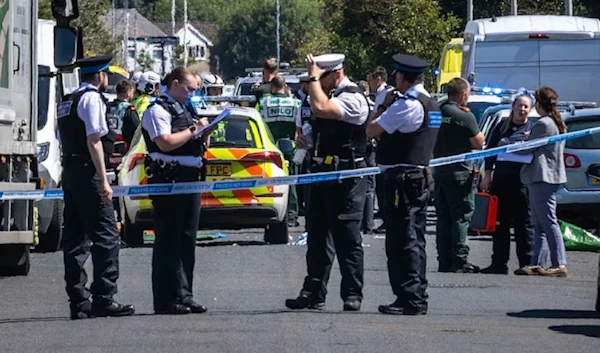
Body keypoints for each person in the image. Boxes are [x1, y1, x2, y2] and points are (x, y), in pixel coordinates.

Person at [286, 53, 369, 312]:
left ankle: (352, 293)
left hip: (346, 177)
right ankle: (312, 292)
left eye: (319, 79)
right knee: (317, 238)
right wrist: (305, 140)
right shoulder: (326, 95)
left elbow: (322, 109)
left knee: (347, 238)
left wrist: (312, 77)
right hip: (321, 173)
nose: (315, 85)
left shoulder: (352, 97)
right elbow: (316, 123)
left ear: (336, 74)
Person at [56, 55, 135, 320]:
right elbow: (94, 140)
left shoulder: (68, 100)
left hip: (70, 170)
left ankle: (78, 302)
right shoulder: (91, 99)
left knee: (76, 239)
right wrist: (104, 179)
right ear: (100, 76)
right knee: (106, 236)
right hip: (88, 172)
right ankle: (104, 297)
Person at [366, 54, 440, 315]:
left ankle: (409, 297)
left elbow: (371, 130)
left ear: (401, 77)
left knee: (402, 240)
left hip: (402, 179)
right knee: (416, 240)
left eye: (396, 75)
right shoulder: (431, 102)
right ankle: (416, 292)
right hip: (419, 177)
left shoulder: (405, 105)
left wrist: (383, 105)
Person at [141, 67, 213, 315]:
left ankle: (185, 294)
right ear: (174, 84)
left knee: (186, 239)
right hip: (168, 179)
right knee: (168, 240)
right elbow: (165, 142)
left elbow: (198, 143)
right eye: (189, 88)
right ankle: (166, 299)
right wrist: (195, 129)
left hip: (190, 178)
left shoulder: (188, 109)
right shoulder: (157, 110)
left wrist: (205, 132)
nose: (193, 93)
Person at [479, 93, 536, 275]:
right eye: (519, 105)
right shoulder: (501, 127)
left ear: (530, 109)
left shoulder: (533, 129)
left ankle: (526, 263)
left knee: (523, 225)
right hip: (501, 182)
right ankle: (498, 264)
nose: (522, 109)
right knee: (500, 224)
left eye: (526, 106)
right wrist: (487, 175)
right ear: (513, 106)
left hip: (522, 184)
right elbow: (490, 152)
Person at [514, 86, 568, 277]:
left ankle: (559, 263)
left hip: (542, 178)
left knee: (548, 221)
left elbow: (526, 149)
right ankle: (537, 262)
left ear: (538, 104)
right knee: (539, 223)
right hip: (543, 177)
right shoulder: (553, 122)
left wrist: (509, 146)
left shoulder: (544, 124)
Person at [433, 78, 484, 273]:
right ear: (463, 95)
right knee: (461, 217)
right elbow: (479, 143)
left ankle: (443, 259)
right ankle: (460, 259)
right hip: (460, 172)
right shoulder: (464, 116)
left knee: (443, 217)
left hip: (440, 171)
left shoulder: (436, 111)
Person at [258, 75, 302, 228]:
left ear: (272, 87)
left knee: (270, 182)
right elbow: (299, 127)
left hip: (270, 146)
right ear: (286, 86)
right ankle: (291, 215)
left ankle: (270, 210)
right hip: (289, 145)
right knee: (291, 182)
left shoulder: (264, 102)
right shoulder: (296, 103)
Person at [367, 66, 394, 233]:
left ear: (378, 79)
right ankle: (385, 216)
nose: (369, 83)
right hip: (379, 142)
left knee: (384, 186)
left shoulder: (388, 94)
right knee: (380, 186)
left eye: (370, 79)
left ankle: (387, 218)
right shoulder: (379, 95)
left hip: (386, 142)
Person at [357, 80, 376, 235]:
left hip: (358, 149)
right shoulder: (374, 106)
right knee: (370, 188)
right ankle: (368, 225)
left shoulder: (358, 106)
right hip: (371, 149)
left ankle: (358, 222)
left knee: (356, 186)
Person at [107, 80, 140, 147]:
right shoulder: (128, 108)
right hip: (123, 148)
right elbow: (137, 129)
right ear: (128, 92)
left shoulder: (107, 107)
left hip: (107, 146)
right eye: (132, 92)